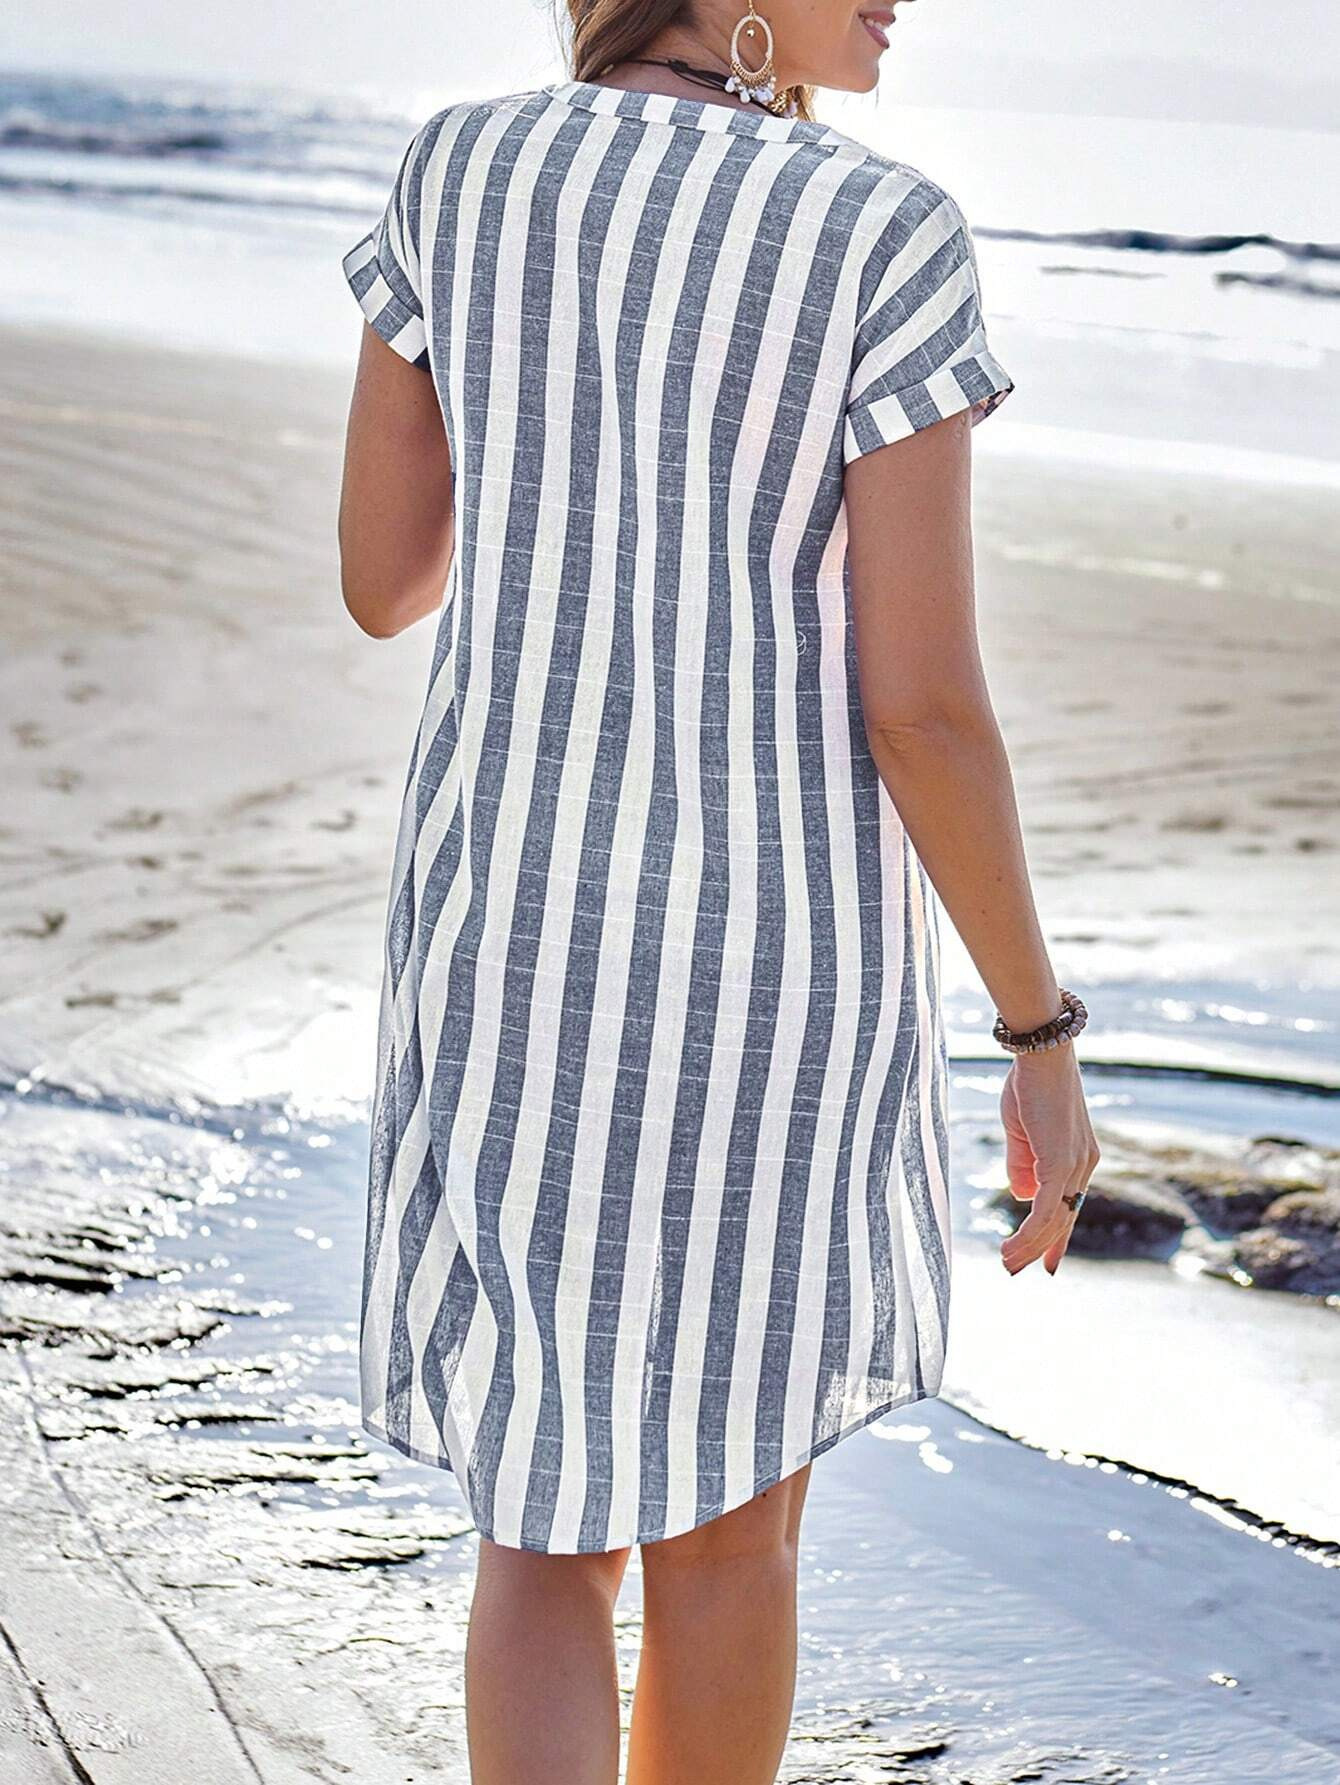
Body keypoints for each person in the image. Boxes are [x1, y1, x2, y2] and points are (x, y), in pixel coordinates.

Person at [337, 3, 1101, 1779]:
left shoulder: (462, 165)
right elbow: (921, 706)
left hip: (503, 929)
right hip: (764, 967)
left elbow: (385, 579)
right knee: (728, 1531)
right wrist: (1039, 1033)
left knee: (541, 1526)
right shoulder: (879, 226)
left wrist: (561, 429)